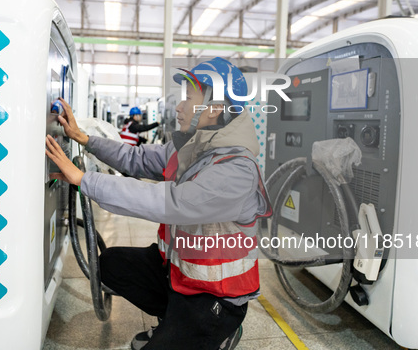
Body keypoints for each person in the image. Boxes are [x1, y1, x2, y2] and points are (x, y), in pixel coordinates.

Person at [45, 57, 272, 350]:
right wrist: (84, 139)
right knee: (112, 264)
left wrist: (84, 179)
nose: (179, 107)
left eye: (189, 98)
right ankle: (173, 320)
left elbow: (170, 201)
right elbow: (135, 159)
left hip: (215, 297)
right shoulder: (191, 147)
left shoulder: (236, 169)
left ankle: (217, 333)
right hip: (180, 276)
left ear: (214, 109)